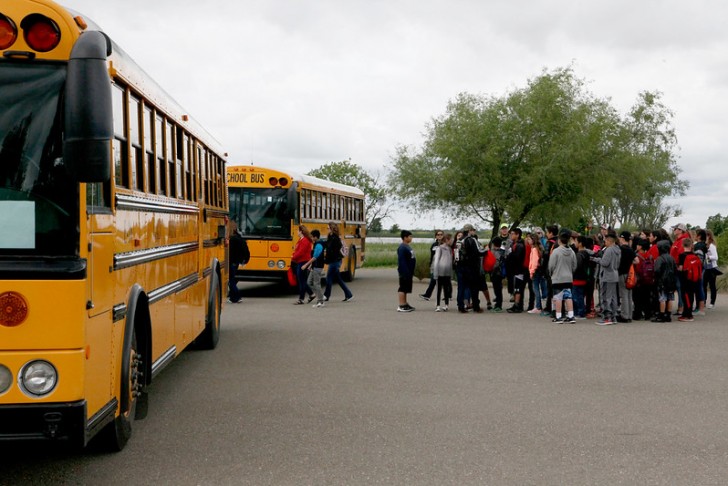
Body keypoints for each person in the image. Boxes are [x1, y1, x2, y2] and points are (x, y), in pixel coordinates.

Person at [548, 229, 577, 323]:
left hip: (557, 277)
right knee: (568, 297)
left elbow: (551, 265)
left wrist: (551, 273)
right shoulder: (572, 252)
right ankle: (571, 315)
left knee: (558, 297)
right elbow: (574, 265)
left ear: (559, 240)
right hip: (568, 277)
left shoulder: (556, 251)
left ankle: (558, 316)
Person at [592, 231, 620, 325]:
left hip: (607, 275)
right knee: (613, 297)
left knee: (605, 297)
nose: (604, 243)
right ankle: (613, 316)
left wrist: (596, 259)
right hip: (614, 274)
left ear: (608, 241)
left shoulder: (609, 250)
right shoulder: (618, 250)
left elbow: (605, 263)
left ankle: (607, 317)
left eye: (605, 241)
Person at [458, 224, 486, 313]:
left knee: (461, 287)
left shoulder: (459, 240)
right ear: (469, 230)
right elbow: (478, 252)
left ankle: (461, 306)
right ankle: (476, 307)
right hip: (471, 267)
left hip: (460, 266)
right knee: (474, 287)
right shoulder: (471, 240)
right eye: (472, 230)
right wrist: (486, 250)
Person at [324, 222, 354, 302]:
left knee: (329, 278)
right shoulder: (330, 237)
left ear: (331, 229)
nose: (327, 229)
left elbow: (333, 251)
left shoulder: (335, 239)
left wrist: (327, 259)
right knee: (338, 279)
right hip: (334, 261)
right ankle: (349, 294)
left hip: (335, 261)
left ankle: (326, 295)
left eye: (328, 228)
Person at [652, 239, 677, 322]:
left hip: (662, 281)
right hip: (671, 281)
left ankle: (662, 315)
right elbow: (675, 269)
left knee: (662, 298)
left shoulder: (660, 259)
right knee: (670, 298)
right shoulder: (672, 258)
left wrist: (656, 278)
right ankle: (668, 315)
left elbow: (657, 270)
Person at [291, 225, 315, 305]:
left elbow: (301, 252)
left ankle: (302, 298)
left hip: (303, 262)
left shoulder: (304, 240)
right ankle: (311, 294)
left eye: (298, 230)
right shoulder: (301, 240)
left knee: (301, 280)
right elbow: (298, 250)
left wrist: (293, 257)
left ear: (301, 231)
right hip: (301, 261)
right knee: (302, 280)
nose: (297, 232)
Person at [302, 230, 326, 308]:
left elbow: (315, 257)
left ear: (316, 237)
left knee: (316, 284)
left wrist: (306, 265)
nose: (311, 238)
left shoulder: (319, 245)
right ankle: (320, 296)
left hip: (318, 267)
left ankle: (320, 301)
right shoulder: (316, 244)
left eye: (312, 237)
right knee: (309, 282)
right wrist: (310, 266)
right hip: (314, 267)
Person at [616, 231, 637, 323]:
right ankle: (629, 315)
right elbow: (637, 261)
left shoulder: (620, 249)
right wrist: (629, 262)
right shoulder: (630, 250)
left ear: (622, 238)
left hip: (621, 273)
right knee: (629, 295)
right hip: (629, 274)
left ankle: (624, 315)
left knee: (623, 295)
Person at [505, 228, 527, 313]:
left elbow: (517, 258)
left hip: (518, 270)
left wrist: (510, 256)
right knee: (515, 288)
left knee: (518, 288)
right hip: (514, 270)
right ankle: (517, 304)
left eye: (513, 234)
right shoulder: (514, 244)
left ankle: (517, 305)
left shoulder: (520, 245)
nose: (511, 235)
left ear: (517, 235)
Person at [227, 220, 249, 304]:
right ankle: (233, 297)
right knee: (232, 280)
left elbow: (230, 252)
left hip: (231, 262)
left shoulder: (232, 240)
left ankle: (237, 296)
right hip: (236, 262)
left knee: (231, 281)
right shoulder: (239, 238)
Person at [670, 223, 689, 315]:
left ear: (680, 230)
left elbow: (682, 255)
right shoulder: (677, 240)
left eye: (675, 229)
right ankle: (681, 307)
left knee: (680, 287)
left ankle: (681, 307)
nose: (674, 231)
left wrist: (679, 265)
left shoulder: (682, 240)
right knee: (678, 287)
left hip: (679, 268)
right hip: (675, 266)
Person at [419, 230, 444, 301]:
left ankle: (448, 295)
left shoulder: (445, 244)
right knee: (433, 280)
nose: (439, 236)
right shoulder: (434, 245)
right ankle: (427, 295)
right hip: (435, 265)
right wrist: (430, 264)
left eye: (441, 234)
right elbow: (432, 255)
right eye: (438, 235)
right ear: (436, 236)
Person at [432, 233, 453, 311]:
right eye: (451, 239)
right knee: (439, 289)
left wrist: (451, 273)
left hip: (447, 272)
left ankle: (446, 305)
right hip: (440, 271)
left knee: (446, 288)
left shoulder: (450, 249)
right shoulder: (439, 248)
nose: (452, 241)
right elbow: (436, 261)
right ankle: (438, 305)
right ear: (447, 240)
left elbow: (450, 261)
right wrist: (435, 273)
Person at [397, 230, 416, 312]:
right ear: (405, 237)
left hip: (409, 271)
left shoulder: (407, 246)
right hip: (404, 272)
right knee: (402, 288)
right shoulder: (402, 247)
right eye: (410, 236)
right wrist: (405, 272)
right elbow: (402, 261)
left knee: (406, 289)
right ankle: (401, 305)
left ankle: (405, 303)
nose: (411, 238)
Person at [527, 235, 547, 314]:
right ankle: (539, 306)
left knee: (535, 289)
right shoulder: (539, 248)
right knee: (540, 288)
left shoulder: (534, 249)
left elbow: (534, 262)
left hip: (535, 271)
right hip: (540, 271)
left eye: (529, 239)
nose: (528, 241)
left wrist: (531, 272)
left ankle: (538, 306)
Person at [703, 229, 720, 309]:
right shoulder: (704, 245)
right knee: (704, 285)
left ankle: (712, 302)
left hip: (712, 268)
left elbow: (716, 257)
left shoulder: (712, 246)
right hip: (705, 268)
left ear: (708, 236)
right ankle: (704, 301)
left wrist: (708, 257)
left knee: (712, 285)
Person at [489, 237, 506, 312]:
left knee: (497, 289)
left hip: (496, 272)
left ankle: (498, 305)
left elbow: (495, 263)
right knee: (498, 288)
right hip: (500, 272)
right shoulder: (503, 251)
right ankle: (498, 304)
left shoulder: (495, 252)